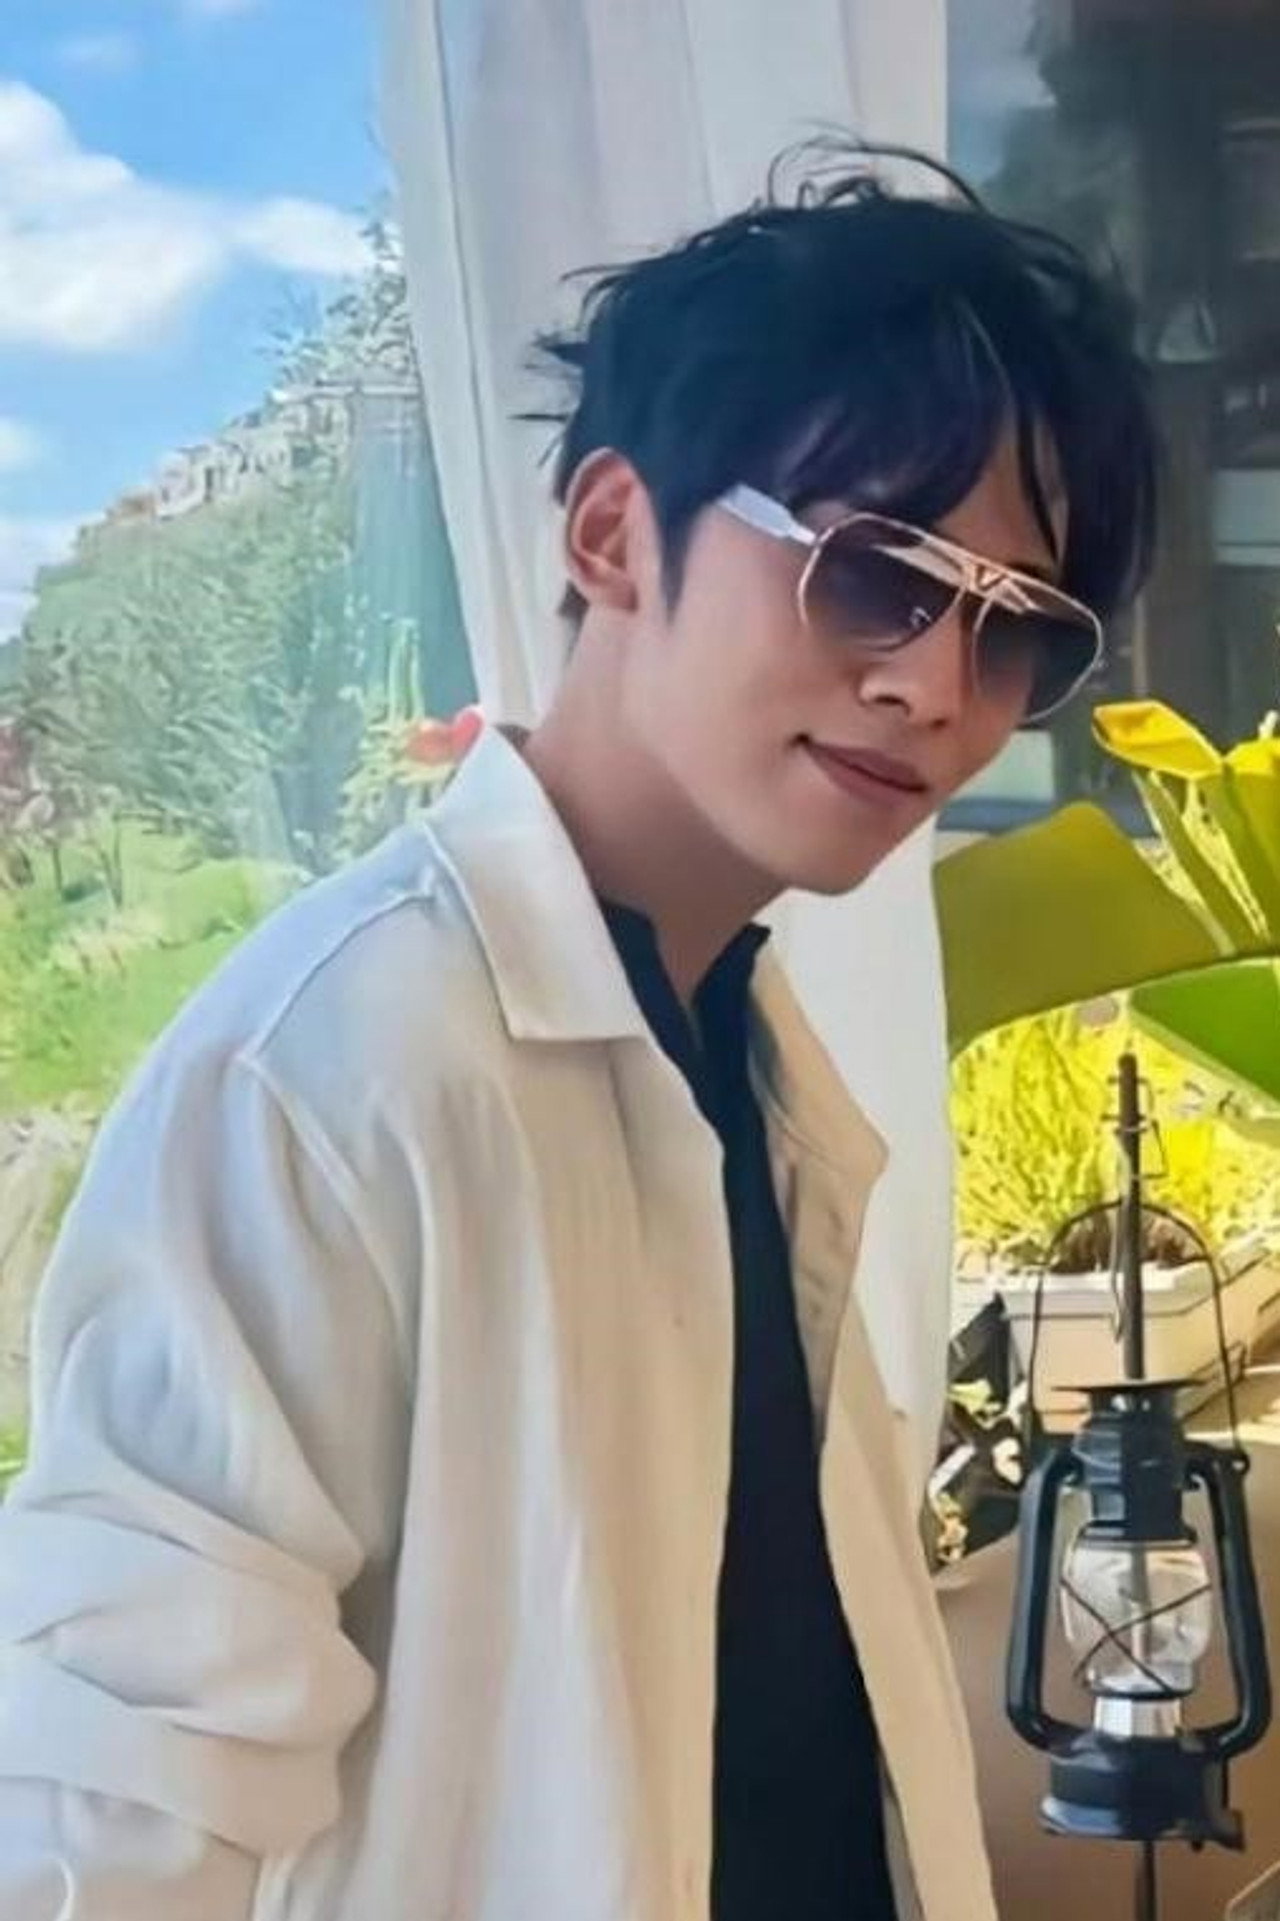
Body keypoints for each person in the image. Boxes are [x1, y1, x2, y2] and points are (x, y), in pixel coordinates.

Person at [0, 146, 1156, 1920]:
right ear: (612, 533)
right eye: (876, 571)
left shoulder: (743, 1049)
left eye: (1016, 634)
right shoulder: (331, 1065)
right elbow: (117, 1813)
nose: (933, 686)